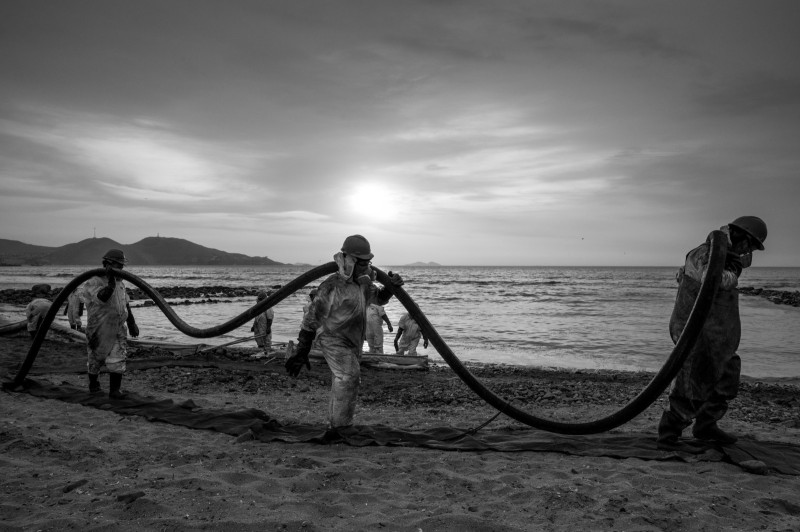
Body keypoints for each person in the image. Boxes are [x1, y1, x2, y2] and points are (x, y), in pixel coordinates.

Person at [657, 216, 767, 451]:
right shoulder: (704, 253)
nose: (749, 250)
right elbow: (711, 280)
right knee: (693, 380)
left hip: (718, 336)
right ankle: (669, 433)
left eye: (753, 248)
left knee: (728, 374)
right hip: (694, 330)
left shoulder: (727, 257)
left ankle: (706, 425)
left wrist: (735, 262)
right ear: (737, 234)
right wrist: (734, 271)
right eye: (749, 244)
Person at [285, 234, 404, 429]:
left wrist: (391, 287)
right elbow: (311, 318)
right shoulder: (332, 286)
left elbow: (379, 299)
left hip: (354, 341)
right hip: (333, 339)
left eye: (369, 262)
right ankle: (341, 429)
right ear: (349, 260)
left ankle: (335, 424)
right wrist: (302, 349)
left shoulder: (363, 285)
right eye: (363, 263)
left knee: (341, 379)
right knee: (349, 376)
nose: (367, 267)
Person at [78, 248, 140, 398]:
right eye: (118, 266)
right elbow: (102, 297)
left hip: (118, 325)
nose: (121, 269)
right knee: (95, 358)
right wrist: (110, 283)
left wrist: (132, 322)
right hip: (99, 327)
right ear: (108, 264)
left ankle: (114, 391)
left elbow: (125, 303)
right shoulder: (93, 281)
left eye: (122, 266)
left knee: (118, 357)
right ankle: (94, 386)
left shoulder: (120, 283)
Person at [251, 290, 274, 354]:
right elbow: (256, 318)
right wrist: (253, 326)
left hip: (264, 326)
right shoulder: (258, 307)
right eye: (259, 299)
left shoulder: (268, 307)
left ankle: (267, 353)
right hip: (258, 326)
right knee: (258, 339)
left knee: (266, 341)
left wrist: (268, 327)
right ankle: (260, 351)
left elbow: (270, 318)